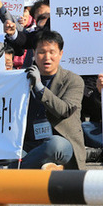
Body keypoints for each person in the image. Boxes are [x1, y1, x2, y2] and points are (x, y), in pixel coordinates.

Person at [16, 30, 86, 170]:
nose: (47, 57)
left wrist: (39, 88)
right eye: (41, 52)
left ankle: (10, 171)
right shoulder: (23, 78)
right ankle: (47, 167)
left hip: (60, 143)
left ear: (60, 54)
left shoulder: (73, 80)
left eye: (52, 52)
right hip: (30, 144)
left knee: (55, 145)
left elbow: (65, 110)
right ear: (34, 53)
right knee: (6, 150)